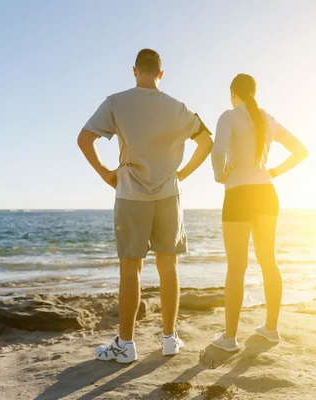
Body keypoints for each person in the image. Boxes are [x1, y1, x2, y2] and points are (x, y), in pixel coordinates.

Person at [77, 49, 213, 363]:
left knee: (130, 270)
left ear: (135, 71)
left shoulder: (116, 102)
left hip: (130, 195)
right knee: (169, 268)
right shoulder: (177, 108)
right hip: (168, 195)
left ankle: (126, 344)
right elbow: (207, 141)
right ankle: (169, 339)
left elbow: (84, 139)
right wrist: (182, 175)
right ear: (161, 74)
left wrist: (106, 174)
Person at [210, 74, 308, 351]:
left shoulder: (228, 117)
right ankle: (271, 329)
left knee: (237, 267)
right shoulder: (268, 119)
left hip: (239, 193)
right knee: (269, 261)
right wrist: (273, 171)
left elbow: (218, 153)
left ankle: (229, 338)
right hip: (266, 193)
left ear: (233, 93)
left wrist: (220, 176)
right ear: (254, 92)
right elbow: (301, 151)